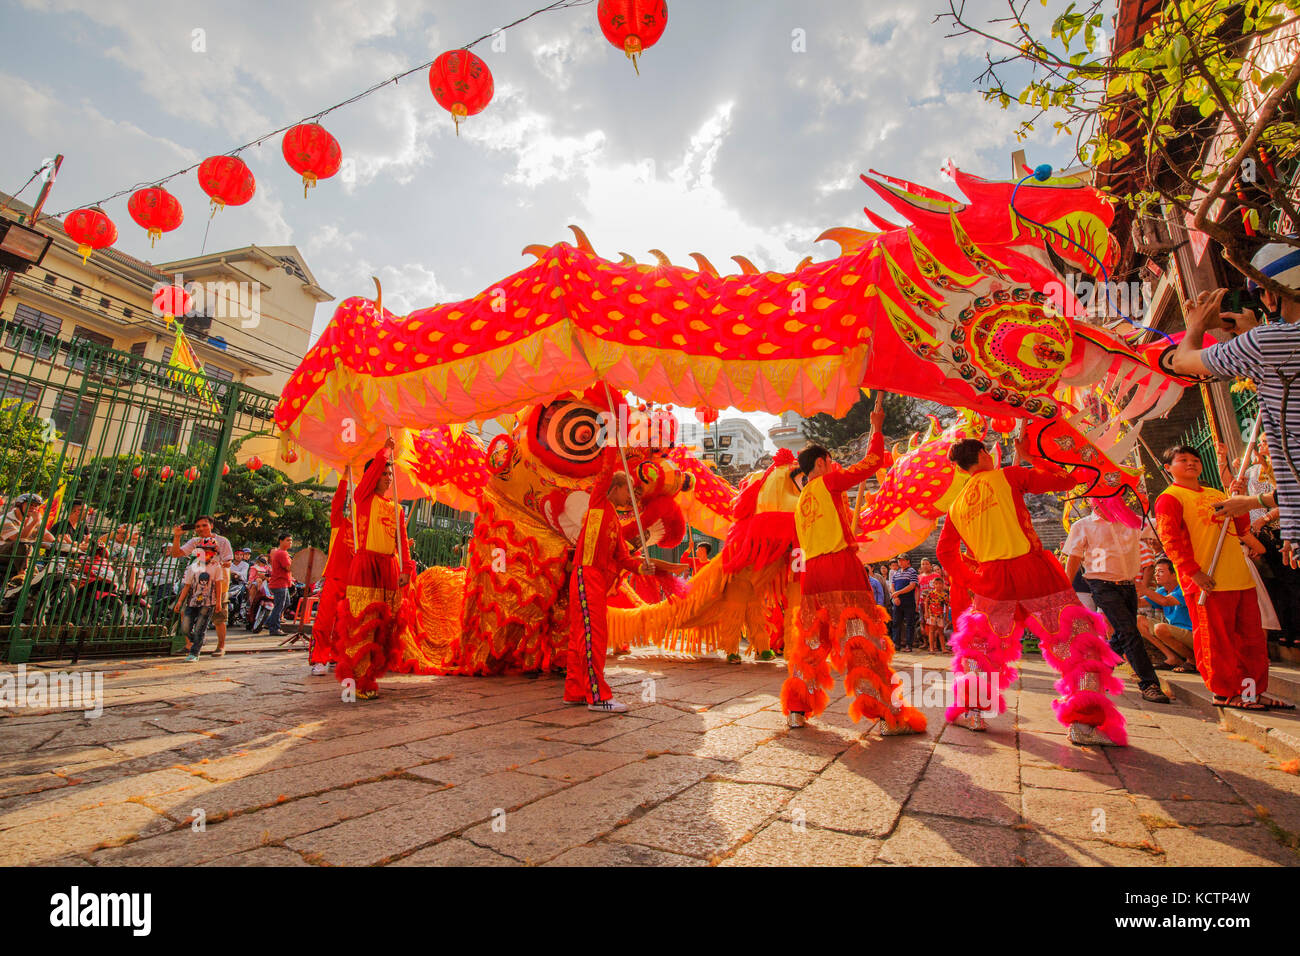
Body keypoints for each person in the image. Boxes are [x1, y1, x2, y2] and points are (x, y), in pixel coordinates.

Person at [938, 436, 1128, 745]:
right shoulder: (1008, 476)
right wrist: (1031, 456)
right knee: (1075, 640)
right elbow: (1066, 480)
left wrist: (972, 577)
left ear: (961, 467)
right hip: (1033, 570)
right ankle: (1086, 722)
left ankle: (973, 712)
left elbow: (945, 552)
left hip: (991, 580)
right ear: (985, 454)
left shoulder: (956, 506)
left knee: (980, 647)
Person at [781, 400, 926, 735]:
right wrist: (876, 426)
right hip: (840, 570)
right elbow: (871, 462)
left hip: (812, 576)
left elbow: (801, 548)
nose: (834, 467)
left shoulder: (802, 500)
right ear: (821, 463)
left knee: (812, 646)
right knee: (859, 641)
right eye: (831, 462)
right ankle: (885, 714)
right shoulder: (828, 484)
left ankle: (797, 711)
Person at [1170, 246, 1300, 570]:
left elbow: (1184, 362)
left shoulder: (1266, 343)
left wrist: (1197, 325)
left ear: (1271, 296)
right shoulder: (1267, 341)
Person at [1154, 445, 1293, 710]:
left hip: (1239, 577)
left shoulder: (1215, 494)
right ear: (1168, 468)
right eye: (1182, 460)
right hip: (1208, 582)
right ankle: (1225, 692)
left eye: (1195, 460)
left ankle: (1251, 693)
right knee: (1218, 643)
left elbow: (1240, 527)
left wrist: (1238, 499)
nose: (1191, 464)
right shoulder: (1170, 498)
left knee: (1251, 641)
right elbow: (1170, 541)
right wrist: (1194, 573)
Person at [566, 446, 673, 711]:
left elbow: (623, 557)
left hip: (596, 581)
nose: (630, 496)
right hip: (586, 574)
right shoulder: (599, 502)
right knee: (593, 636)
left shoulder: (612, 516)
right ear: (613, 488)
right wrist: (614, 439)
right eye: (627, 490)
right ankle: (599, 697)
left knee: (583, 635)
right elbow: (604, 471)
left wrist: (643, 568)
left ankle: (575, 691)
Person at [1062, 501, 1171, 704]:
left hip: (1128, 585)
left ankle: (1098, 673)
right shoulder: (1083, 525)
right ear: (1092, 501)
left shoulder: (1133, 522)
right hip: (1101, 584)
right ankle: (1149, 684)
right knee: (1129, 632)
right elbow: (1074, 558)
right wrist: (1067, 591)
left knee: (1123, 634)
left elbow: (1161, 527)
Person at [333, 438, 415, 700]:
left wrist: (406, 568)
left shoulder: (398, 509)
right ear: (372, 475)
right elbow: (367, 479)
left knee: (384, 625)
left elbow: (401, 543)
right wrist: (385, 450)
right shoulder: (364, 497)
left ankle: (373, 673)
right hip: (366, 566)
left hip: (389, 568)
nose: (388, 478)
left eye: (391, 473)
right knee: (363, 624)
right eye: (383, 473)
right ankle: (358, 680)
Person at [170, 516, 234, 657]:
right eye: (198, 526)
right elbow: (176, 553)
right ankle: (190, 644)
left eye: (204, 525)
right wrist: (177, 537)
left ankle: (221, 646)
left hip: (218, 584)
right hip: (197, 584)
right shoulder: (195, 542)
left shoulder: (222, 541)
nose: (201, 529)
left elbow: (228, 560)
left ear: (211, 525)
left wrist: (222, 564)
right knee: (185, 613)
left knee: (218, 617)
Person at [311, 482, 353, 675]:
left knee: (345, 623)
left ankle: (337, 656)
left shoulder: (366, 531)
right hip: (334, 577)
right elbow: (337, 503)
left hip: (354, 582)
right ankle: (319, 659)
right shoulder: (340, 523)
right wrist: (344, 478)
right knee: (324, 620)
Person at [1138, 557, 1197, 672]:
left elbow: (1165, 601)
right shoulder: (1162, 591)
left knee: (1160, 628)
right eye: (1155, 572)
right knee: (1139, 620)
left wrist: (1144, 589)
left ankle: (1193, 660)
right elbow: (1140, 603)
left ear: (1174, 574)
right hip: (1175, 634)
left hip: (1192, 636)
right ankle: (1172, 657)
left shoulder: (1183, 589)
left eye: (1161, 571)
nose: (1156, 575)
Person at [174, 546, 219, 662]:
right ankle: (198, 639)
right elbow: (187, 585)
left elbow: (218, 585)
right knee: (185, 627)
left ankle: (194, 653)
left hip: (208, 602)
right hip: (192, 601)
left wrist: (218, 602)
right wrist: (179, 601)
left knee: (200, 627)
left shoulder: (215, 567)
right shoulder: (193, 567)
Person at [256, 532, 294, 637]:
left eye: (291, 540)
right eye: (288, 540)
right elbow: (288, 567)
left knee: (285, 603)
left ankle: (269, 622)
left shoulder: (282, 553)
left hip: (282, 583)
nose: (290, 542)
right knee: (279, 606)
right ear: (281, 541)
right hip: (279, 583)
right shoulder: (282, 553)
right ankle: (274, 628)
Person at [889, 554, 919, 651]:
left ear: (908, 561)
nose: (900, 562)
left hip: (908, 600)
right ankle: (896, 643)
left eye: (902, 560)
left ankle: (908, 645)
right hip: (897, 601)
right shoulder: (896, 573)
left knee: (909, 623)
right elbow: (892, 586)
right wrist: (895, 597)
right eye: (899, 560)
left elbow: (912, 585)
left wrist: (898, 593)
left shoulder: (912, 571)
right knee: (896, 622)